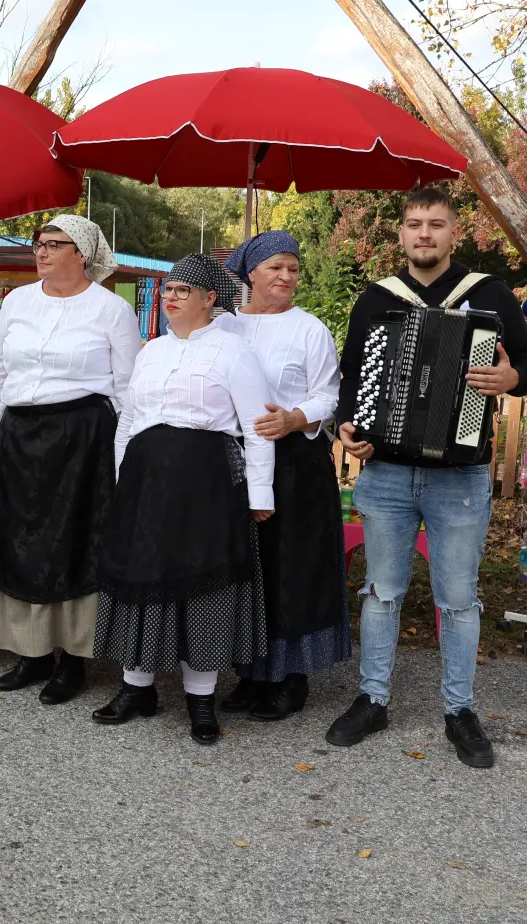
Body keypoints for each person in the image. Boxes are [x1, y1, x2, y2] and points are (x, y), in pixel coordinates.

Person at [328, 187, 527, 768]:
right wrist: (345, 428)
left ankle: (459, 710)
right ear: (401, 233)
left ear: (454, 233)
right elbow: (352, 381)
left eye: (437, 225)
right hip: (389, 473)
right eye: (416, 225)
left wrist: (510, 380)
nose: (425, 234)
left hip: (460, 475)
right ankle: (373, 698)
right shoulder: (376, 299)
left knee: (458, 599)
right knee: (380, 593)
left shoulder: (489, 294)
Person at [91, 255, 273, 744]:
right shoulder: (151, 351)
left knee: (203, 585)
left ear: (209, 299)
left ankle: (201, 701)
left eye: (182, 291)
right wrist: (120, 477)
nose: (170, 297)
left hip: (207, 484)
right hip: (145, 484)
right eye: (167, 289)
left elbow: (257, 430)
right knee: (140, 578)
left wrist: (260, 493)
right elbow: (128, 420)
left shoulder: (234, 353)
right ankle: (137, 688)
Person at [0, 215, 140, 704]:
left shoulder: (111, 309)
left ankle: (73, 660)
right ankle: (31, 654)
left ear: (84, 254)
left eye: (56, 244)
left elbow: (127, 387)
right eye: (39, 243)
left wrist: (122, 449)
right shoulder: (16, 302)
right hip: (22, 432)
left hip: (83, 436)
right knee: (22, 538)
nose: (42, 252)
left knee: (72, 542)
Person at [215, 231, 350, 721]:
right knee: (244, 564)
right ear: (250, 273)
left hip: (295, 462)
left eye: (293, 268)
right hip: (234, 459)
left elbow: (328, 395)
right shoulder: (223, 328)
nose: (287, 277)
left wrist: (294, 417)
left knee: (291, 564)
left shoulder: (308, 329)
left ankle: (291, 675)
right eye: (275, 267)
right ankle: (249, 673)